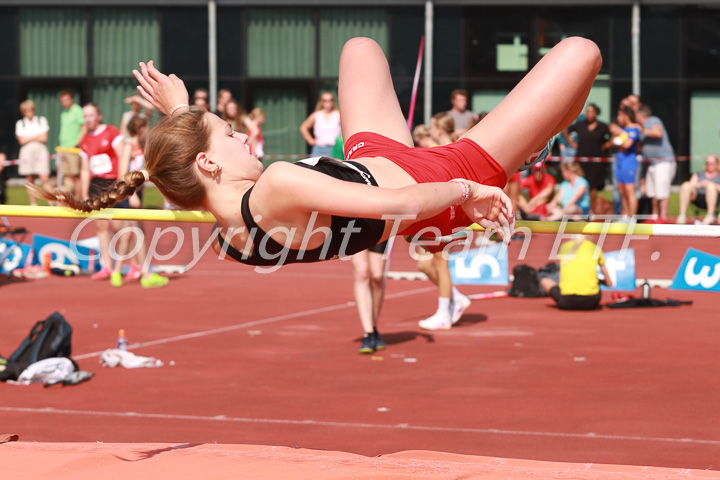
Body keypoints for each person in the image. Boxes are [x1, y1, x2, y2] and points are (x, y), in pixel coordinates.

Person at [36, 36, 602, 271]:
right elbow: (401, 203)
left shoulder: (229, 227)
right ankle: (534, 146)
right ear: (208, 163)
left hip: (372, 153)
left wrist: (181, 111)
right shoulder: (278, 185)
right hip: (444, 181)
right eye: (230, 134)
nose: (242, 135)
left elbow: (188, 164)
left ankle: (527, 136)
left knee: (359, 48)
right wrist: (473, 189)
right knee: (581, 53)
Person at [111, 114, 169, 288]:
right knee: (133, 233)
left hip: (137, 194)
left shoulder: (143, 148)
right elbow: (122, 175)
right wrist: (132, 195)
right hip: (128, 195)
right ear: (142, 129)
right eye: (147, 128)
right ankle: (144, 274)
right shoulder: (128, 147)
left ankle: (123, 271)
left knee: (135, 233)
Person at [77, 103, 125, 280]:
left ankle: (135, 262)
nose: (88, 119)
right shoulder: (85, 141)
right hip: (96, 184)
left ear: (99, 116)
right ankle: (107, 266)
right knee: (100, 224)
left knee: (119, 225)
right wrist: (84, 193)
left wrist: (122, 181)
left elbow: (122, 156)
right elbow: (84, 170)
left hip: (113, 183)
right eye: (85, 116)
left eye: (91, 115)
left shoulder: (111, 132)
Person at [540, 235, 612, 310]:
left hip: (567, 302)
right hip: (591, 302)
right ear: (589, 236)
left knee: (544, 280)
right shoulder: (595, 248)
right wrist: (599, 281)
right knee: (594, 280)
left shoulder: (564, 247)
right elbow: (609, 283)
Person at [563, 103, 611, 213]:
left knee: (593, 185)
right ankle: (579, 208)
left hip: (596, 160)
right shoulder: (580, 125)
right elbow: (565, 131)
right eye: (587, 111)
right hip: (581, 159)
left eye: (591, 111)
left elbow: (612, 135)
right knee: (581, 182)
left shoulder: (602, 126)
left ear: (596, 113)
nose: (589, 114)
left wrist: (607, 145)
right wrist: (572, 143)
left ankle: (591, 209)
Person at [635, 105, 676, 222]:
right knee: (651, 191)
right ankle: (654, 215)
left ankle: (663, 216)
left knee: (662, 191)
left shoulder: (652, 120)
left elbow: (658, 133)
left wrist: (641, 130)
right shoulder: (643, 127)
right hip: (652, 164)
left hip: (663, 161)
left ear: (640, 114)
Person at [352, 242, 389, 354]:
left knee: (377, 276)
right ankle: (368, 332)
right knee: (361, 272)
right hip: (353, 225)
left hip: (382, 225)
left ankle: (373, 327)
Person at [15, 100, 51, 206]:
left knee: (44, 178)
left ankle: (51, 202)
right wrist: (36, 136)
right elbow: (21, 141)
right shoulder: (20, 123)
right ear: (23, 112)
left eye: (30, 110)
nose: (29, 112)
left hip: (41, 151)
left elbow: (44, 138)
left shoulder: (41, 120)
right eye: (26, 110)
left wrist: (29, 138)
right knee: (30, 179)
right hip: (27, 152)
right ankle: (33, 203)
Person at [612, 106, 641, 219]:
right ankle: (626, 217)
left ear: (626, 116)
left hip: (629, 162)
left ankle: (633, 218)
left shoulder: (634, 129)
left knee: (630, 191)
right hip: (620, 161)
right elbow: (612, 143)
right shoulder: (623, 130)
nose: (618, 118)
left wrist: (618, 137)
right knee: (622, 191)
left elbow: (626, 145)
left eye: (620, 115)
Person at [58, 90, 87, 196]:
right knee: (66, 175)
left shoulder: (78, 110)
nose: (64, 102)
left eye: (66, 99)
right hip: (64, 149)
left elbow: (84, 128)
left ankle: (78, 201)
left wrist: (76, 143)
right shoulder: (64, 113)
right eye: (62, 100)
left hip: (73, 149)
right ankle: (70, 200)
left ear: (72, 99)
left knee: (76, 176)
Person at [676, 154, 720, 225]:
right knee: (686, 185)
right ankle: (682, 215)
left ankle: (710, 215)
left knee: (711, 187)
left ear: (717, 164)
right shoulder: (699, 174)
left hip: (714, 199)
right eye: (707, 163)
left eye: (712, 163)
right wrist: (700, 184)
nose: (709, 165)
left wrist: (710, 184)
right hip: (697, 197)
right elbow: (691, 185)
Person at [299, 92, 341, 157]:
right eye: (325, 101)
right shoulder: (316, 115)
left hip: (334, 149)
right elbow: (303, 127)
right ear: (321, 102)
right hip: (319, 149)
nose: (328, 103)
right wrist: (311, 141)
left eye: (330, 100)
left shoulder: (338, 115)